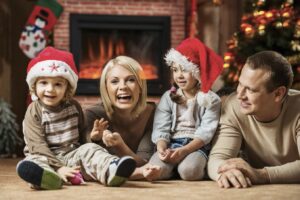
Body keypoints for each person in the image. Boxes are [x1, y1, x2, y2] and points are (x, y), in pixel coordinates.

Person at [16, 47, 136, 190]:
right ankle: (46, 177)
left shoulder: (74, 107)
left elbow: (82, 138)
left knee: (90, 149)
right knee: (32, 160)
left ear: (67, 88)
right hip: (45, 157)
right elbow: (37, 145)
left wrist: (93, 137)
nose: (50, 89)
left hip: (71, 156)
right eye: (44, 83)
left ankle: (111, 171)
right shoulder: (34, 110)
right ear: (34, 86)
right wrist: (59, 167)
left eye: (58, 84)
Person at [207, 51, 300, 188]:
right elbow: (217, 158)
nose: (240, 95)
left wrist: (261, 175)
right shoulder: (234, 106)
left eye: (251, 90)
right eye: (240, 84)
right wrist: (225, 172)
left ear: (278, 94)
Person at [149, 38, 223, 180]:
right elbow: (161, 126)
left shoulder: (211, 100)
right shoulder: (168, 97)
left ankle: (190, 166)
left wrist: (184, 151)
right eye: (175, 70)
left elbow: (206, 132)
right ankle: (173, 167)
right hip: (171, 143)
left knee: (190, 172)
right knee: (155, 170)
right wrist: (161, 147)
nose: (179, 76)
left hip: (196, 146)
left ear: (197, 73)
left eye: (185, 70)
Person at [84, 55, 161, 181]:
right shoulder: (93, 115)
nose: (123, 86)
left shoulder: (154, 114)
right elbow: (89, 159)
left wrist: (120, 145)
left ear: (140, 86)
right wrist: (95, 139)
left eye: (131, 80)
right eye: (114, 81)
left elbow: (145, 165)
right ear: (106, 88)